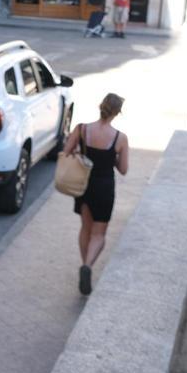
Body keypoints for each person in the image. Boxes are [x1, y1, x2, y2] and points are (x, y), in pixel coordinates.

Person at [61, 93, 129, 295]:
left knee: (85, 228)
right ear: (117, 113)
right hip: (105, 187)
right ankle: (88, 266)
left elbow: (66, 151)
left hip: (83, 185)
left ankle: (84, 263)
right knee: (99, 234)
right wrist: (112, 159)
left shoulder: (82, 129)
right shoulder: (120, 138)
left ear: (101, 107)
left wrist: (82, 153)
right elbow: (124, 169)